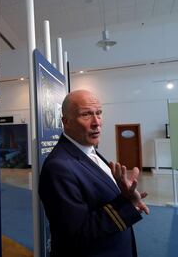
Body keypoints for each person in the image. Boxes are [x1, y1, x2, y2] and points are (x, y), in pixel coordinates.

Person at [38, 89, 149, 257]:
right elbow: (76, 233)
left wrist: (125, 195)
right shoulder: (59, 167)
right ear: (66, 122)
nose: (97, 122)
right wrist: (128, 205)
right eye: (86, 115)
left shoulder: (88, 150)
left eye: (99, 113)